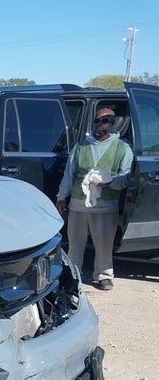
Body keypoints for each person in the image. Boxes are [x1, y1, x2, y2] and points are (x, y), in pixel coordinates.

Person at [56, 108, 133, 291]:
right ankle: (73, 276)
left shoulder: (122, 148)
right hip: (78, 204)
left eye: (105, 120)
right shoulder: (81, 146)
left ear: (113, 123)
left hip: (106, 206)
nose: (101, 124)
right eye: (97, 121)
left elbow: (125, 179)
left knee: (104, 244)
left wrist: (107, 182)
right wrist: (61, 197)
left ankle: (104, 275)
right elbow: (69, 174)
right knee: (75, 244)